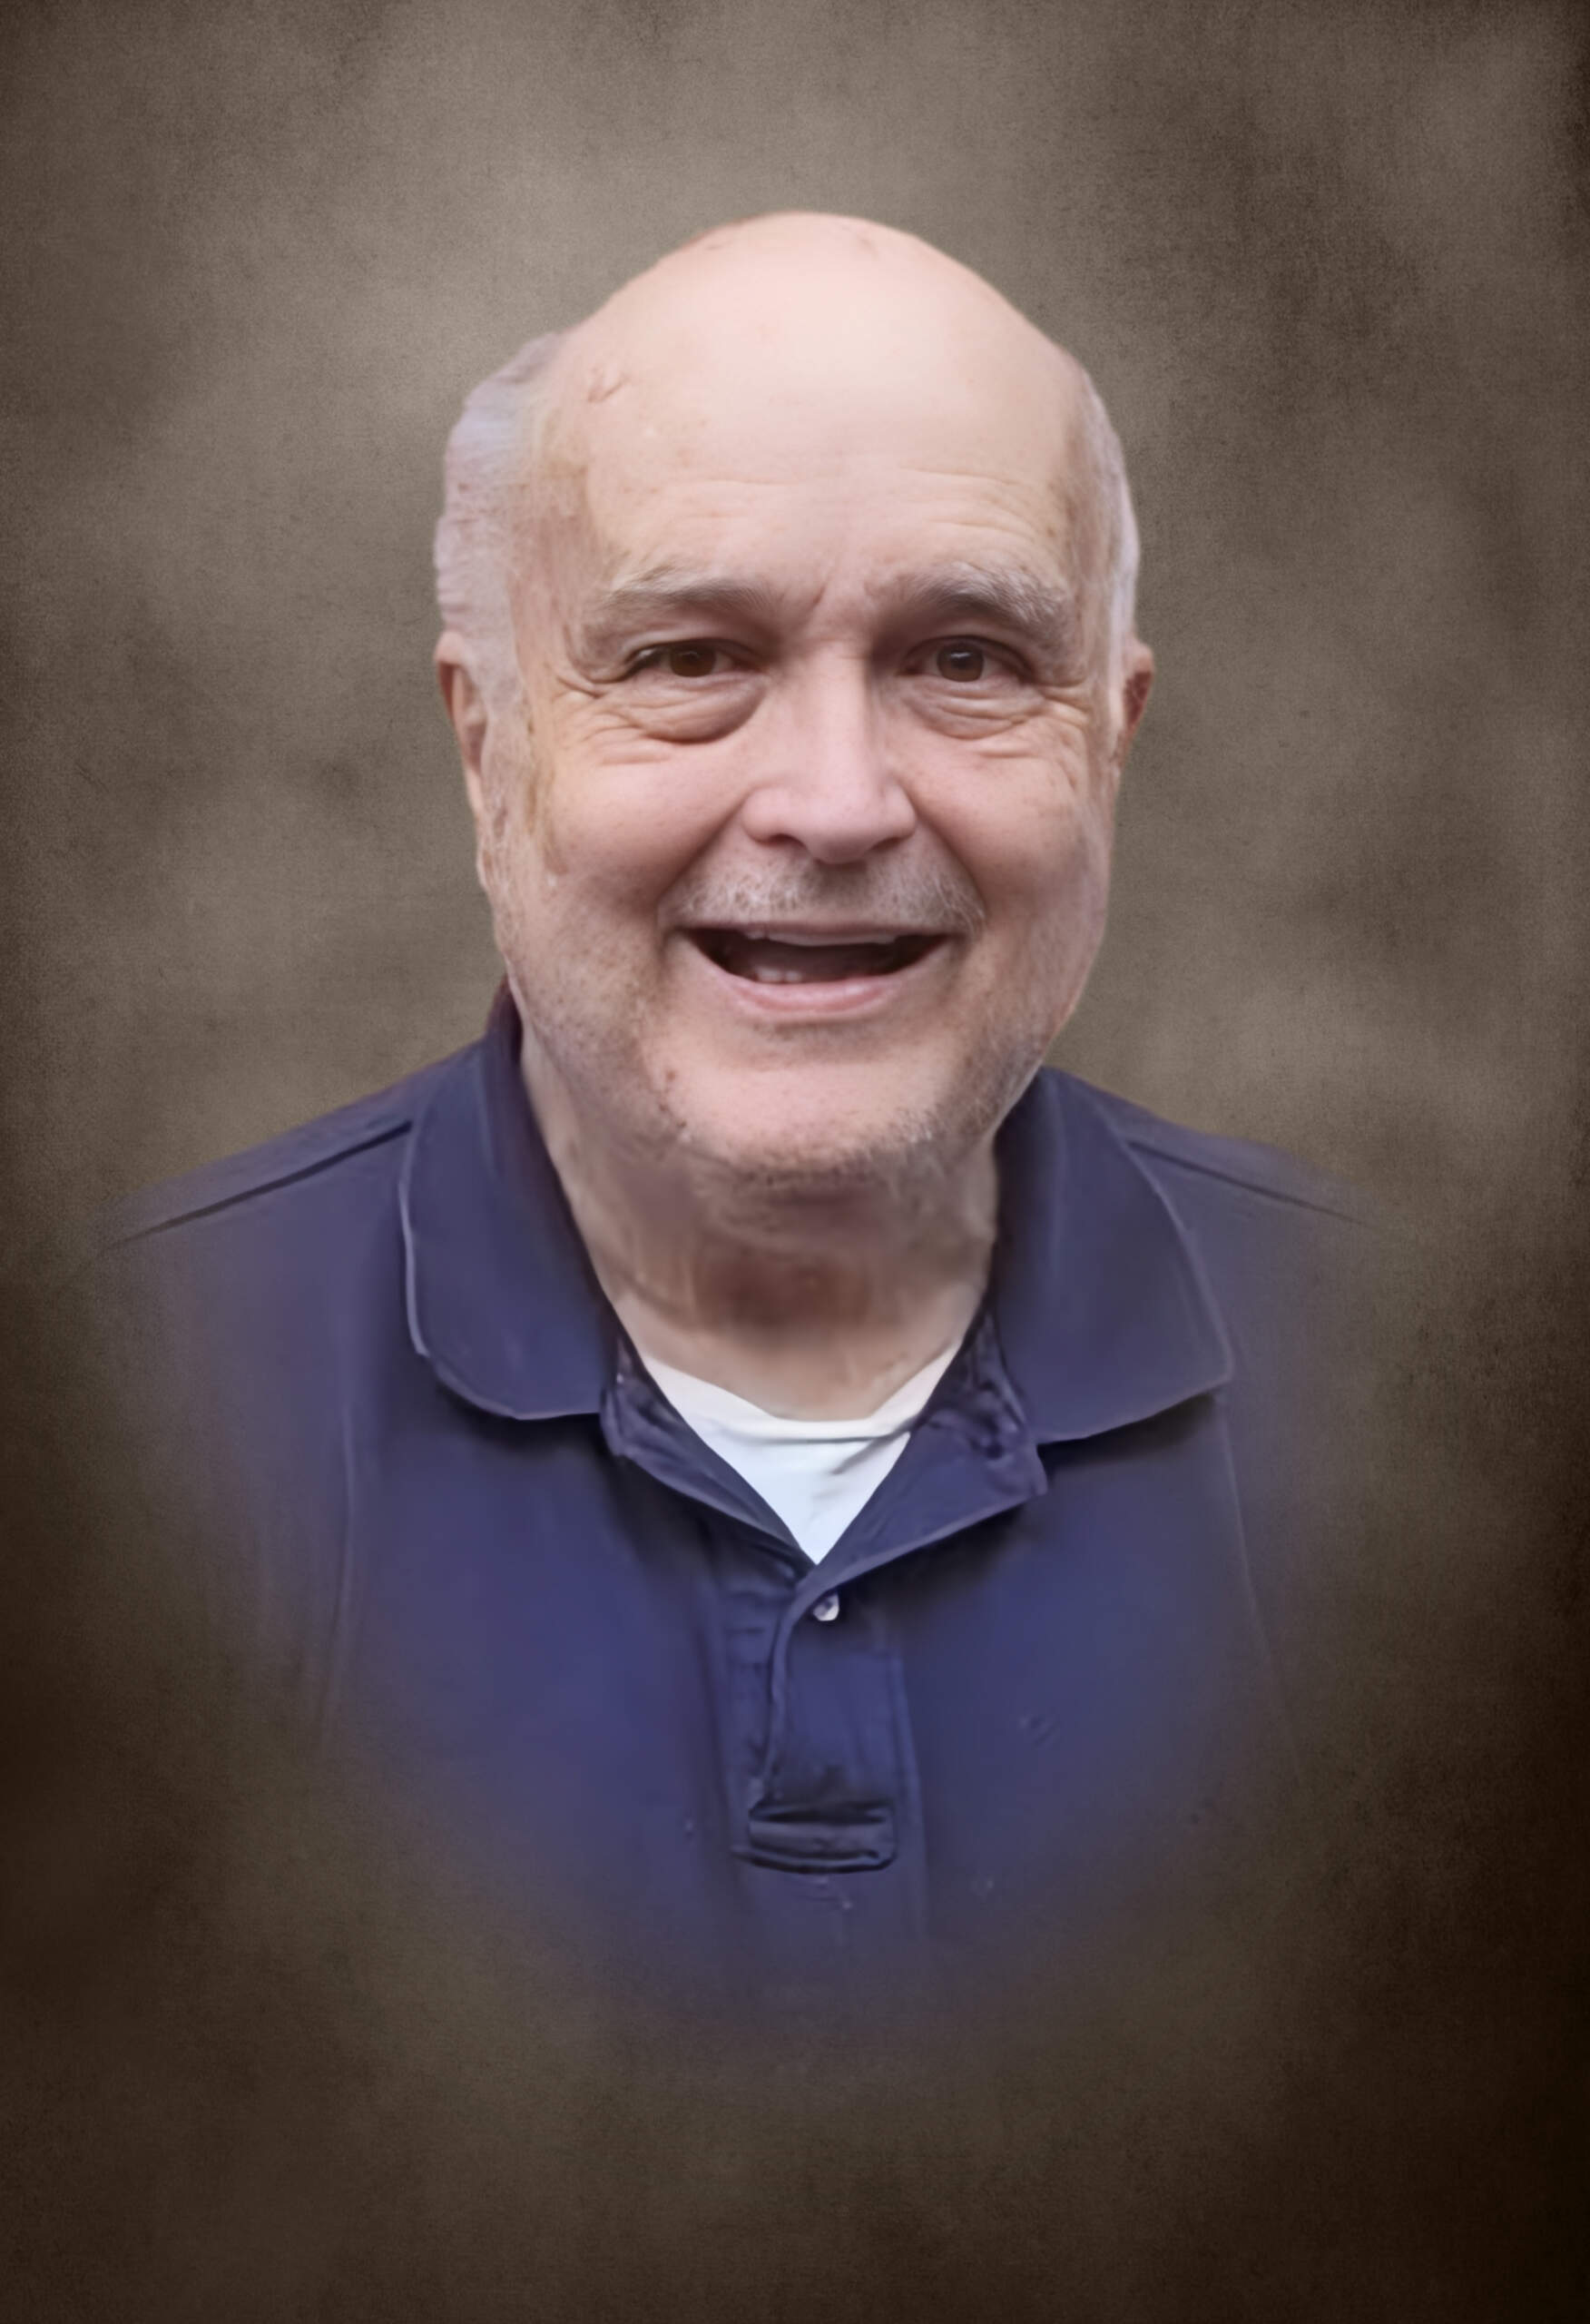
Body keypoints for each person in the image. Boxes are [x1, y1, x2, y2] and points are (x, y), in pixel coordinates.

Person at [89, 213, 1371, 2023]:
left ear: (1110, 743)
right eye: (691, 656)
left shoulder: (1440, 1404)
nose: (837, 804)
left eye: (967, 658)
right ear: (490, 751)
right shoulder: (99, 1426)